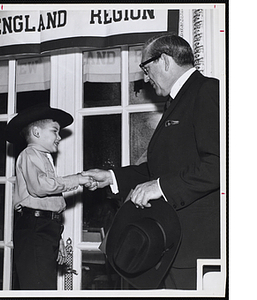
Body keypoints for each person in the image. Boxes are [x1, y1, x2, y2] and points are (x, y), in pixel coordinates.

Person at [82, 34, 220, 290]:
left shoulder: (207, 91)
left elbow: (221, 164)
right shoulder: (177, 102)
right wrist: (111, 177)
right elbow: (160, 169)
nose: (145, 78)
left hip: (195, 249)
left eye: (146, 68)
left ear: (165, 60)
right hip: (173, 247)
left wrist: (160, 187)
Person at [5, 104, 92, 290]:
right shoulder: (29, 155)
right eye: (55, 131)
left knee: (43, 284)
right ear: (36, 132)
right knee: (38, 287)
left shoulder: (42, 157)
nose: (59, 137)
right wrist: (76, 179)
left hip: (43, 228)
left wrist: (56, 236)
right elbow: (40, 188)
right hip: (34, 228)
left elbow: (47, 204)